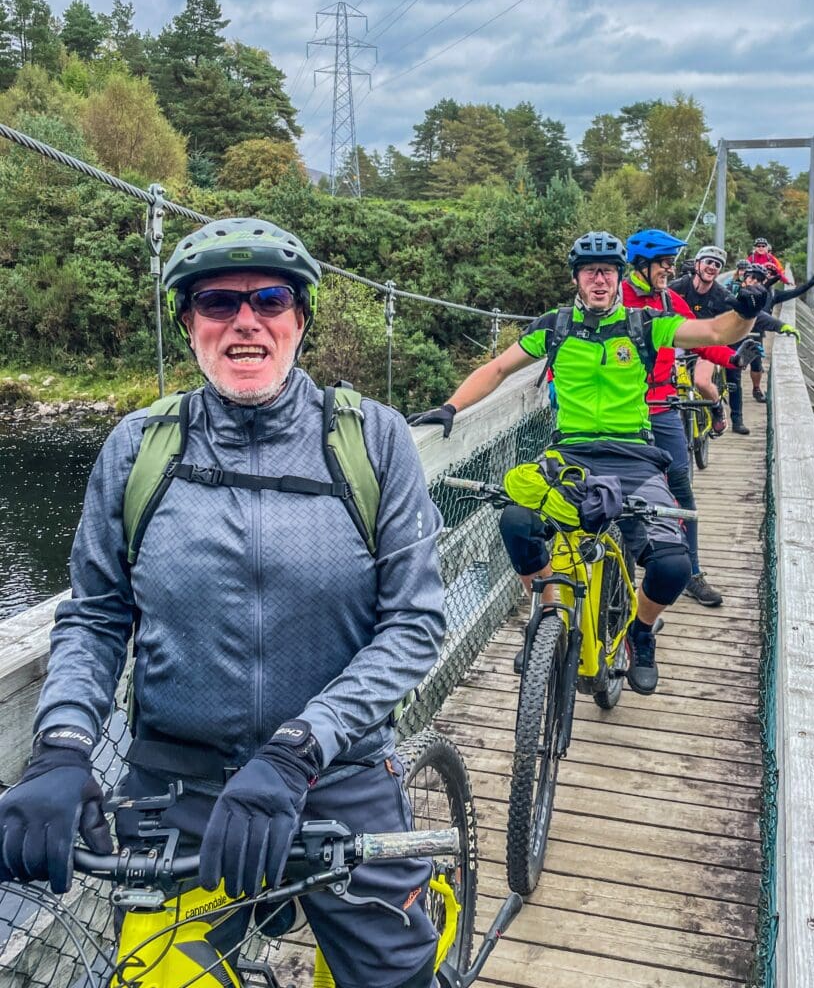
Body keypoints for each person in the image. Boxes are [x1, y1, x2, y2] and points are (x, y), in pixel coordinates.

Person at [0, 218, 446, 988]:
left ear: (300, 319)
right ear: (189, 323)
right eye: (217, 303)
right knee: (160, 979)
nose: (246, 321)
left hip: (333, 775)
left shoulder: (373, 440)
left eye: (270, 299)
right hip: (177, 788)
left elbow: (412, 622)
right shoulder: (141, 447)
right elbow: (98, 614)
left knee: (393, 979)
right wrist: (63, 743)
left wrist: (300, 747)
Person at [409, 231, 766, 694]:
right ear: (577, 278)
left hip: (634, 458)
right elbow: (498, 369)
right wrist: (450, 407)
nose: (599, 280)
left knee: (674, 565)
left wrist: (748, 309)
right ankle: (545, 613)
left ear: (620, 276)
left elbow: (718, 332)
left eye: (608, 272)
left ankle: (640, 632)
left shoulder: (646, 324)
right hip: (569, 456)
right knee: (517, 523)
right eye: (590, 272)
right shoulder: (554, 327)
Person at [621, 229, 757, 609]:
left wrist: (733, 359)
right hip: (622, 406)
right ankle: (619, 576)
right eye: (664, 263)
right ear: (643, 266)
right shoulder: (615, 297)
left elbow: (702, 336)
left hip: (662, 405)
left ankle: (692, 573)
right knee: (615, 491)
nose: (670, 269)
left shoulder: (669, 299)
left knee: (680, 485)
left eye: (671, 263)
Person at [670, 246, 791, 433]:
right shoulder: (678, 287)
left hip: (706, 344)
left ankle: (717, 408)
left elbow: (746, 315)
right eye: (708, 262)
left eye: (717, 265)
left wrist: (781, 326)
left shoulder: (721, 295)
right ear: (697, 264)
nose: (712, 267)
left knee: (701, 382)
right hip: (678, 340)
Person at [741, 262, 814, 405]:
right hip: (737, 331)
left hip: (757, 331)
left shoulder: (773, 294)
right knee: (736, 365)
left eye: (770, 274)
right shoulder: (741, 291)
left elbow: (793, 293)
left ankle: (756, 389)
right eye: (753, 278)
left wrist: (810, 284)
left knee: (756, 364)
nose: (768, 276)